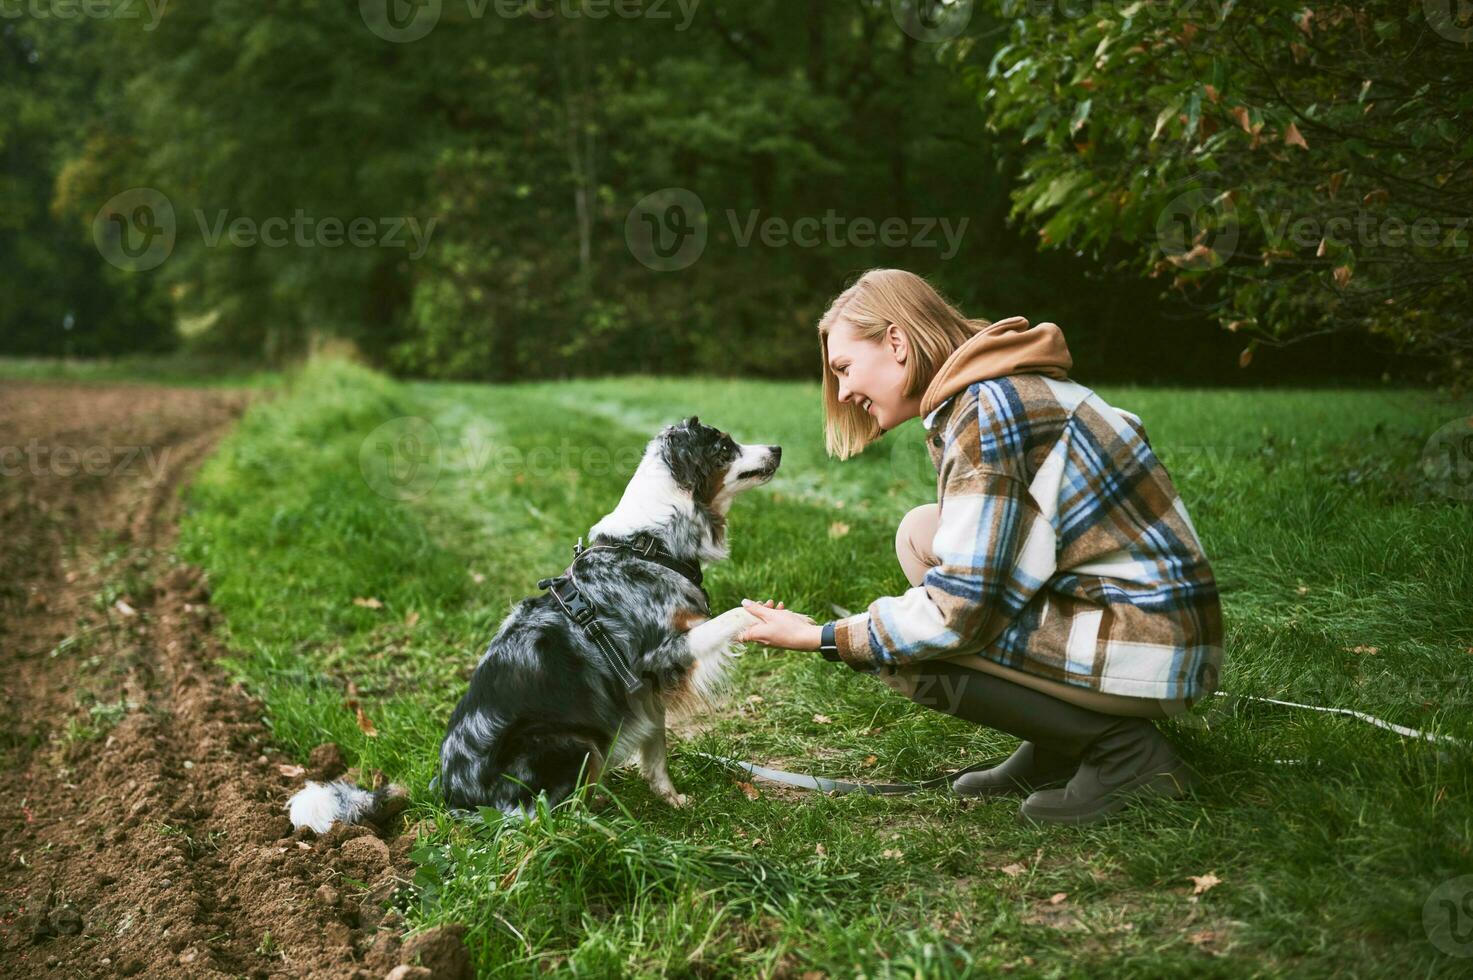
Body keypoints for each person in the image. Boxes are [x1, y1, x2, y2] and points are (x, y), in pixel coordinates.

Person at [737, 269, 1224, 825]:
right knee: (923, 533)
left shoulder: (990, 413)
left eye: (845, 369)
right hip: (1157, 631)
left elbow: (957, 612)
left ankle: (1125, 756)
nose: (843, 391)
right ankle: (1060, 746)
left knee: (910, 653)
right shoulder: (991, 395)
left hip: (1153, 645)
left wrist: (821, 638)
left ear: (896, 342)